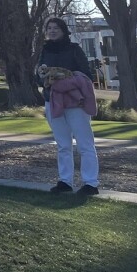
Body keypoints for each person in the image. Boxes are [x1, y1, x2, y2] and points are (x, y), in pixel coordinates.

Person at [36, 18, 99, 196]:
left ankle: (90, 183)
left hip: (75, 103)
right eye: (49, 28)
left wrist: (63, 79)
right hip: (52, 101)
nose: (52, 30)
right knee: (63, 145)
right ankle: (65, 181)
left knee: (85, 143)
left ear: (63, 30)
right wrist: (44, 76)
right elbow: (38, 77)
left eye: (56, 28)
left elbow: (86, 75)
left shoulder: (74, 49)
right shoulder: (45, 50)